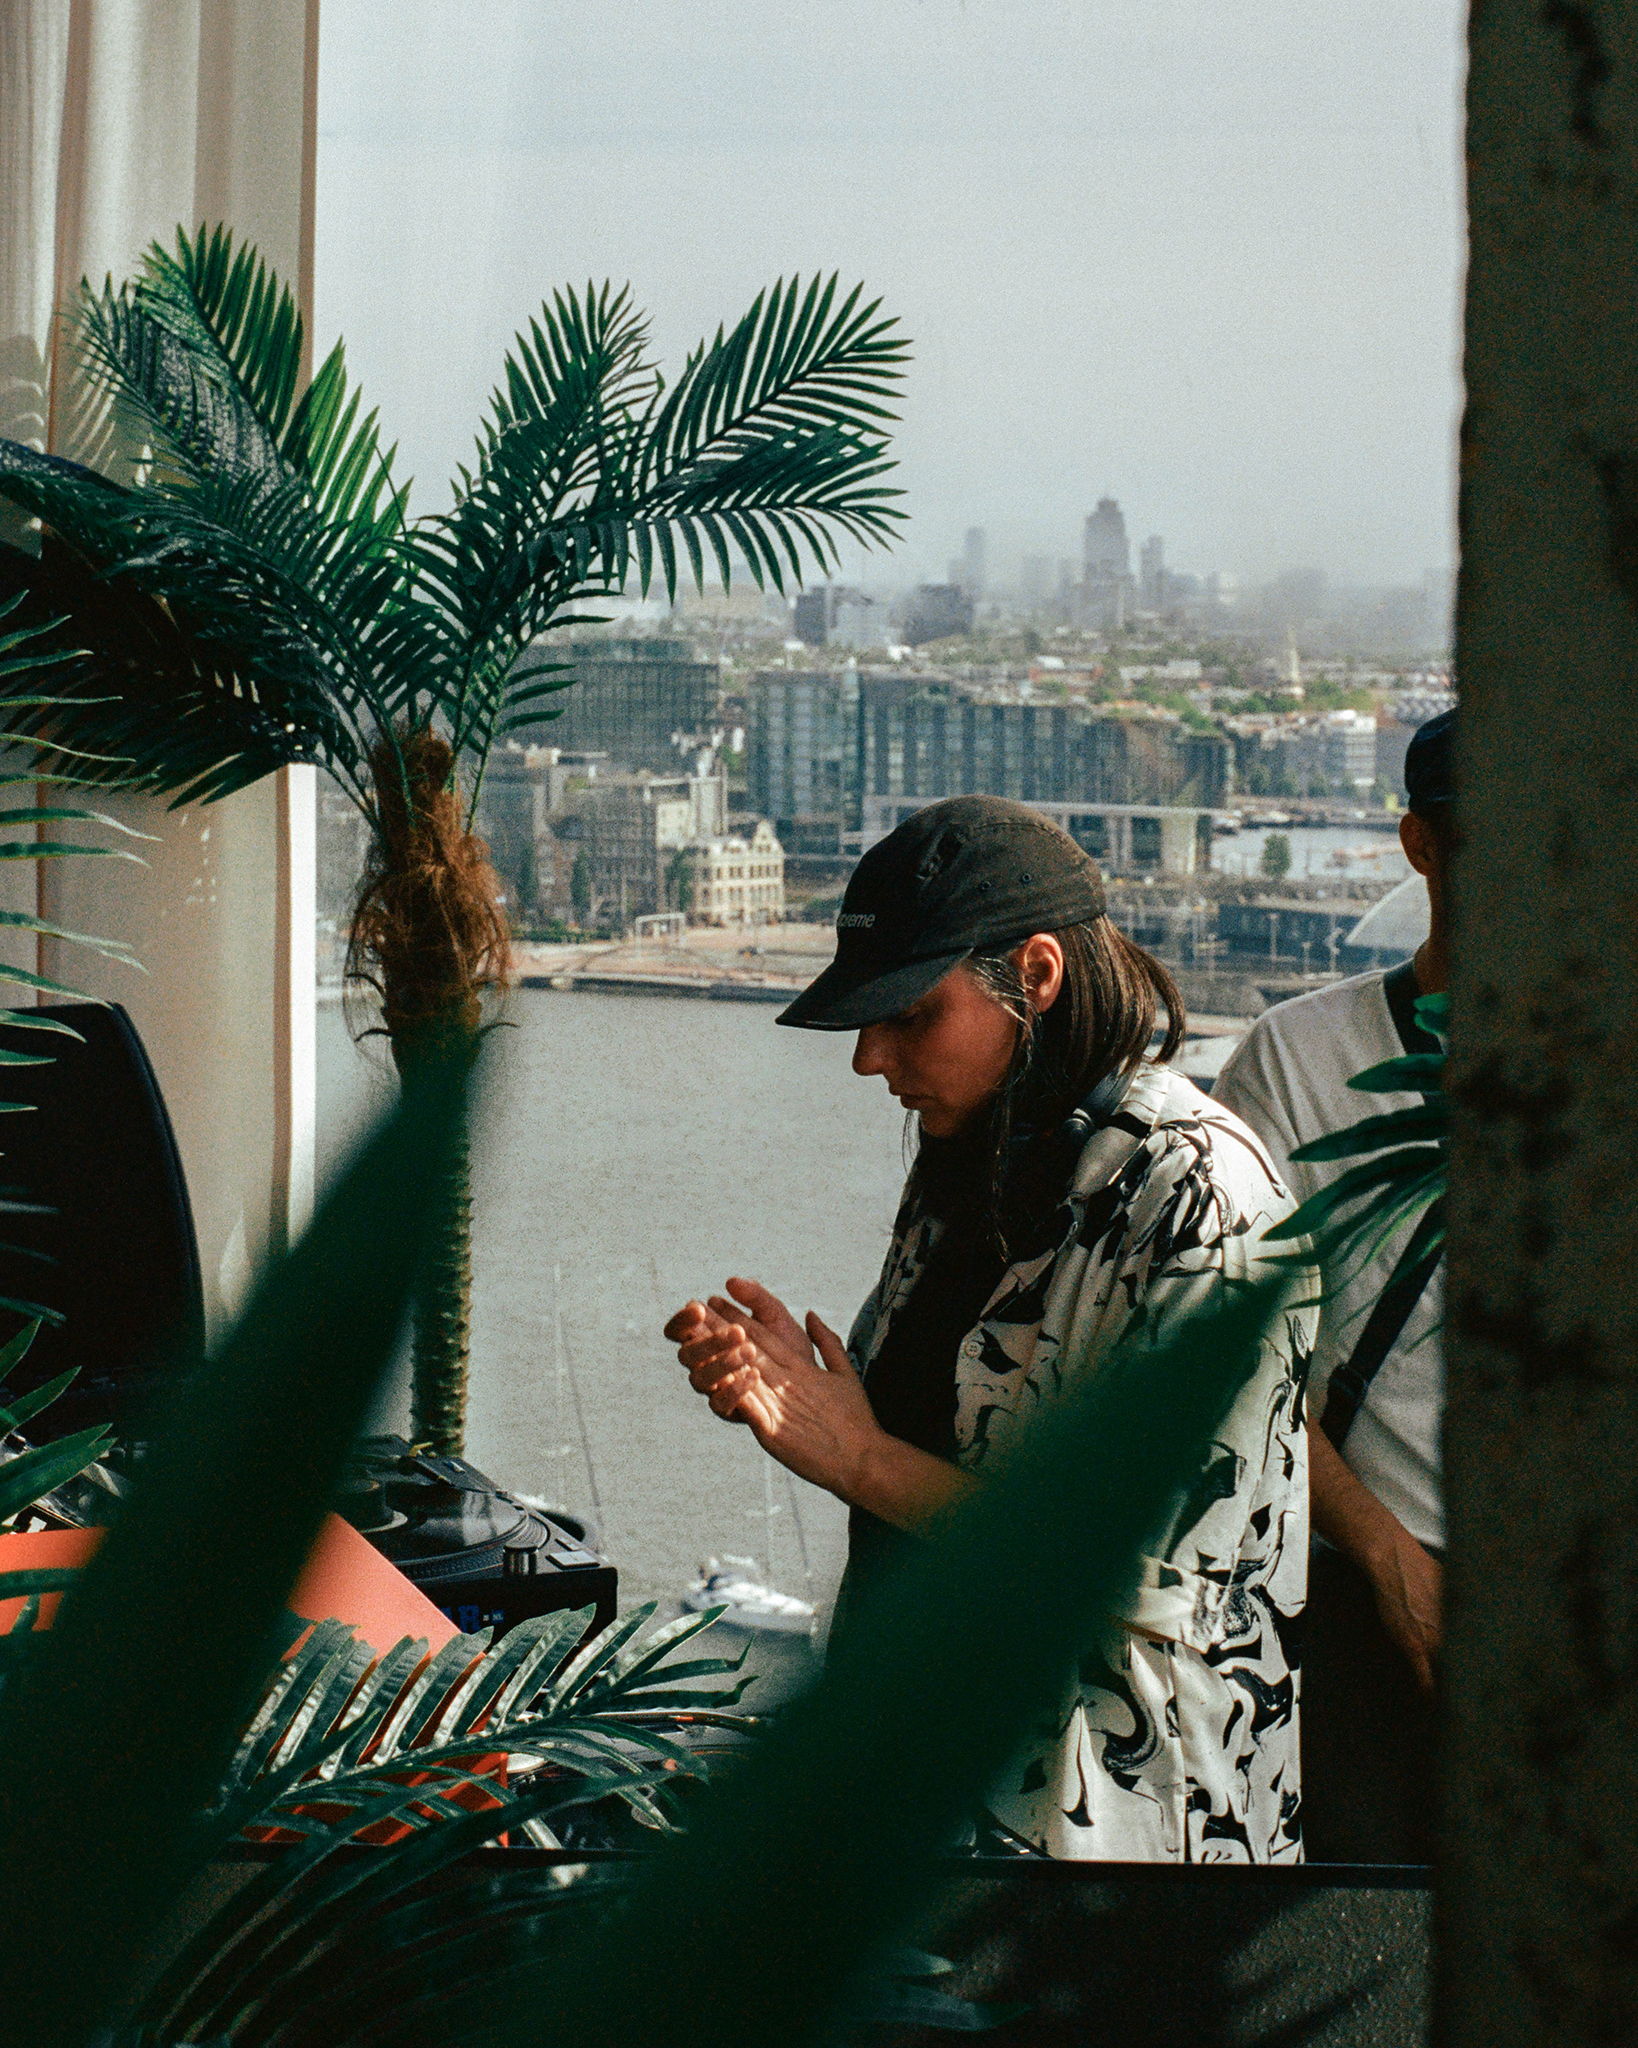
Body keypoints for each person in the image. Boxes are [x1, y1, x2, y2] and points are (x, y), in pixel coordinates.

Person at [664, 796, 1314, 1863]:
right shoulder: (976, 1157)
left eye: (910, 1012)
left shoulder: (1203, 1204)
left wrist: (861, 1454)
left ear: (1040, 975)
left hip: (1110, 1862)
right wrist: (821, 1406)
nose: (871, 1056)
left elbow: (1140, 1571)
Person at [1212, 709, 1455, 1864]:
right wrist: (1384, 1554)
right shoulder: (1299, 1060)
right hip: (1359, 1587)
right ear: (1422, 845)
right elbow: (1237, 1359)